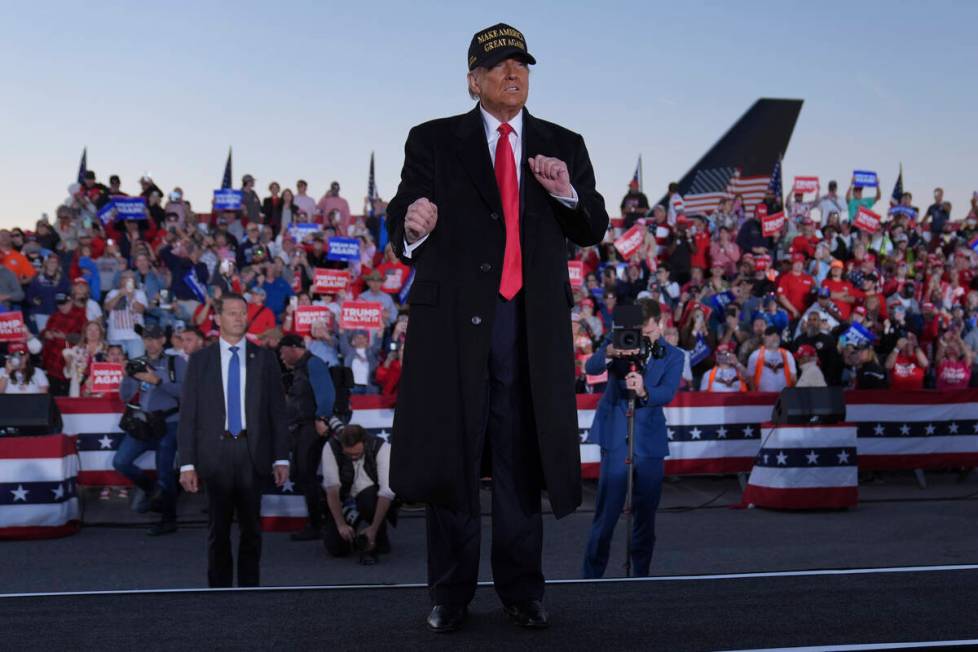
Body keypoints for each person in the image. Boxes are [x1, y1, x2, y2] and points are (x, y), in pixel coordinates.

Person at [385, 23, 608, 633]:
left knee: (520, 458)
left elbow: (593, 225)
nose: (514, 74)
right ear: (473, 80)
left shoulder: (564, 144)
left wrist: (564, 193)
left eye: (522, 65)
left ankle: (521, 590)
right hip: (454, 326)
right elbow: (399, 218)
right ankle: (450, 595)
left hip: (527, 327)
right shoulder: (432, 139)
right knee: (453, 457)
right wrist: (413, 225)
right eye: (500, 65)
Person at [177, 293, 290, 587]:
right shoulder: (201, 360)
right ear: (218, 318)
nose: (240, 318)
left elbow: (277, 412)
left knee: (252, 528)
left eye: (243, 313)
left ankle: (250, 589)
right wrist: (186, 463)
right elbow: (189, 415)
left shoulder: (264, 358)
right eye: (232, 313)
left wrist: (281, 457)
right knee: (219, 529)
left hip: (253, 453)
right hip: (216, 454)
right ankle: (219, 590)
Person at [582, 299, 683, 577]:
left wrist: (644, 392)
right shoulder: (619, 340)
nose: (644, 337)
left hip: (649, 442)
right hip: (616, 436)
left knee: (645, 517)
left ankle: (640, 578)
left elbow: (668, 392)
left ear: (660, 324)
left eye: (649, 332)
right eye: (640, 331)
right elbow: (591, 367)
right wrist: (612, 351)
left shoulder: (674, 355)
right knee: (606, 515)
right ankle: (590, 579)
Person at [113, 325, 186, 535]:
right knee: (120, 461)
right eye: (147, 339)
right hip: (145, 422)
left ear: (163, 339)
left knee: (164, 472)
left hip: (170, 421)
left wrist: (157, 380)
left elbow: (186, 391)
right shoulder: (140, 363)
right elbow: (125, 396)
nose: (151, 343)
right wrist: (128, 375)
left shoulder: (175, 361)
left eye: (155, 338)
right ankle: (153, 491)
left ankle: (169, 519)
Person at [279, 334, 335, 542]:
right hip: (302, 426)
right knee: (303, 474)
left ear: (293, 348)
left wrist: (322, 418)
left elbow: (326, 393)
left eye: (282, 352)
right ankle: (324, 519)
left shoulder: (314, 364)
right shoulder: (301, 368)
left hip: (312, 425)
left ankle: (318, 523)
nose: (281, 357)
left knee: (306, 473)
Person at [321, 424, 397, 564]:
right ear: (341, 444)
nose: (353, 458)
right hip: (344, 500)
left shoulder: (381, 447)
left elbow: (387, 492)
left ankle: (379, 534)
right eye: (349, 455)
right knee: (337, 549)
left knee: (369, 499)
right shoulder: (330, 448)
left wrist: (373, 529)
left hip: (371, 498)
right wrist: (341, 525)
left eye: (357, 454)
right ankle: (352, 533)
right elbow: (332, 489)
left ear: (365, 442)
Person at [747, 326, 797, 392]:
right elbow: (750, 378)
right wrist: (755, 396)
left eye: (777, 335)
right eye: (771, 335)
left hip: (784, 396)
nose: (775, 338)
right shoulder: (755, 355)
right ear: (764, 337)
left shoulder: (787, 355)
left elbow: (793, 377)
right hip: (763, 397)